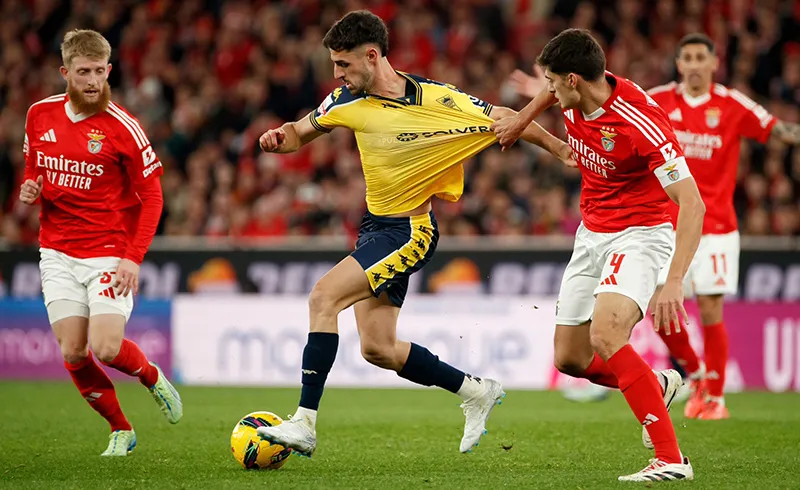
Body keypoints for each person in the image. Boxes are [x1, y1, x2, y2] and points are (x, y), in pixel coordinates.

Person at [254, 10, 575, 458]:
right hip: (374, 228)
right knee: (378, 349)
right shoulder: (343, 101)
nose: (337, 74)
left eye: (343, 64)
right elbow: (299, 133)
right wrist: (278, 137)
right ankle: (476, 391)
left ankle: (304, 423)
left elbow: (505, 117)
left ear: (372, 56)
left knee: (323, 298)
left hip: (409, 231)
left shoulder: (437, 99)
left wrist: (559, 147)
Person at [509, 33, 800, 421]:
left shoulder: (731, 103)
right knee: (662, 311)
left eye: (701, 57)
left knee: (709, 307)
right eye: (687, 57)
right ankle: (693, 375)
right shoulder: (656, 99)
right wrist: (541, 97)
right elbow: (596, 97)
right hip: (662, 220)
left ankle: (713, 396)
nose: (694, 64)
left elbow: (779, 130)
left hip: (712, 223)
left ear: (714, 63)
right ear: (678, 64)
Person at [493, 29, 704, 482]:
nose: (549, 91)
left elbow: (692, 203)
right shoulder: (576, 91)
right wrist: (524, 120)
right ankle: (655, 385)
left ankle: (671, 459)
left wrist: (673, 281)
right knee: (569, 358)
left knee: (606, 334)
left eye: (553, 82)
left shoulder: (639, 121)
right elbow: (549, 96)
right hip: (592, 232)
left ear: (573, 79)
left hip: (641, 233)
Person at [18, 29, 182, 456]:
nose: (92, 81)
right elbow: (33, 168)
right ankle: (121, 429)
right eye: (83, 72)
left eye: (99, 71)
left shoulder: (124, 127)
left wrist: (133, 258)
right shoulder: (39, 114)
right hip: (56, 250)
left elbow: (153, 197)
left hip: (109, 250)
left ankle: (150, 376)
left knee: (106, 348)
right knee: (74, 352)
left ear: (109, 70)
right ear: (65, 73)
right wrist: (30, 188)